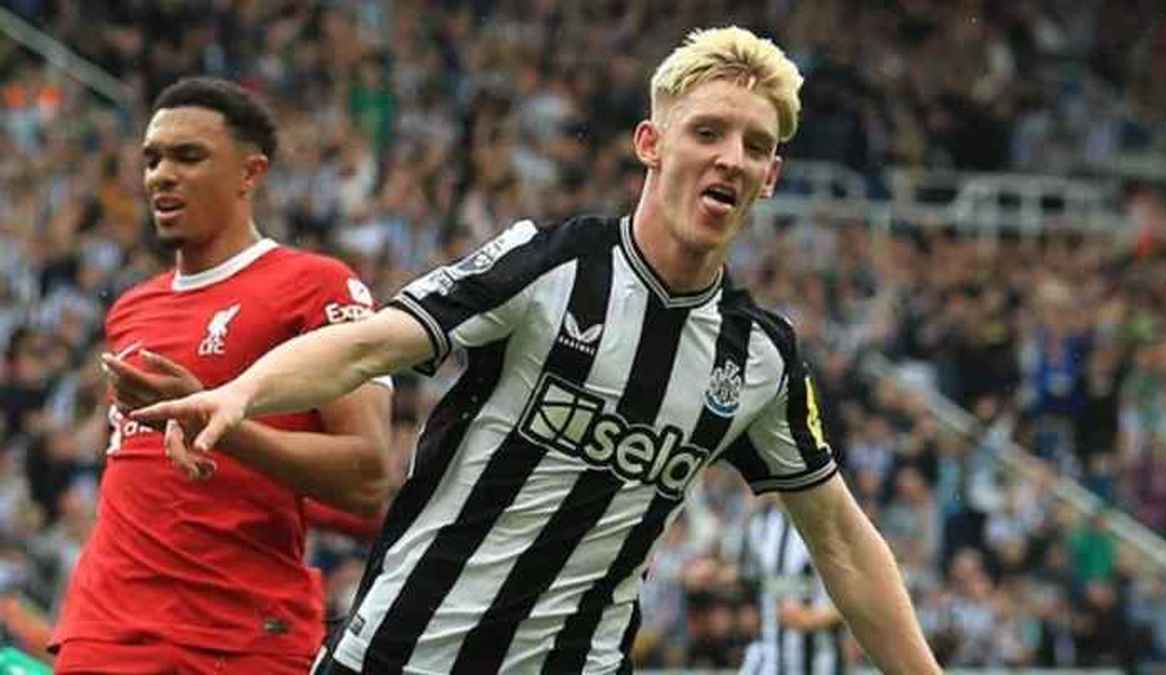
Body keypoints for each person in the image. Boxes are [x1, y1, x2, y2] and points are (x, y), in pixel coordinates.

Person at [136, 28, 941, 674]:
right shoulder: (552, 266)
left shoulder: (759, 356)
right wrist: (243, 391)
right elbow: (370, 344)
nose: (731, 156)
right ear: (651, 143)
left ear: (769, 178)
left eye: (755, 145)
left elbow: (839, 537)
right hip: (400, 654)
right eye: (707, 132)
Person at [50, 77, 394, 674]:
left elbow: (367, 479)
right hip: (103, 632)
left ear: (250, 173)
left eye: (188, 156)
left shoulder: (317, 286)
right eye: (152, 160)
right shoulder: (131, 308)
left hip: (236, 637)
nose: (161, 176)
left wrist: (215, 420)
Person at [737, 498, 845, 674]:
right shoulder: (759, 524)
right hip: (769, 655)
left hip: (819, 659)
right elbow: (750, 582)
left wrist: (814, 618)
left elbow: (860, 599)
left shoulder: (828, 524)